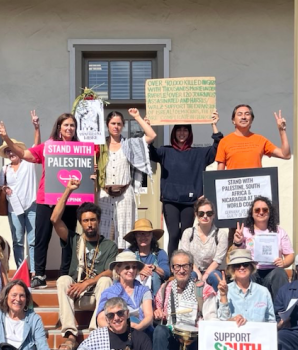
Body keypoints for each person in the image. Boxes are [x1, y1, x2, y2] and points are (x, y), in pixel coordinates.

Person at [0, 112, 81, 288]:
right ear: (59, 128)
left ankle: (66, 274)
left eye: (72, 125)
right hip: (46, 199)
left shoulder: (81, 148)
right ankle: (40, 275)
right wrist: (6, 137)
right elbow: (24, 153)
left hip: (70, 200)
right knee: (41, 238)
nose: (69, 128)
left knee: (68, 238)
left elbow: (89, 170)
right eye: (65, 125)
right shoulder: (48, 147)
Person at [193, 248, 276, 350]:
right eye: (237, 266)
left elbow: (271, 322)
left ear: (251, 268)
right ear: (232, 270)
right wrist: (224, 297)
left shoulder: (263, 292)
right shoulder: (224, 290)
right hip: (232, 348)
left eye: (245, 264)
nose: (242, 268)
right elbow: (219, 323)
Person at [52, 179, 117, 350]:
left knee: (105, 280)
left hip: (97, 297)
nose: (89, 224)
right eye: (86, 220)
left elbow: (111, 271)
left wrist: (88, 282)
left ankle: (95, 333)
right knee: (63, 279)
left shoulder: (109, 245)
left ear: (98, 221)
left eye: (93, 220)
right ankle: (70, 334)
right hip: (76, 296)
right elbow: (54, 219)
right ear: (81, 223)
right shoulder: (74, 240)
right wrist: (68, 190)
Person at [148, 112, 222, 255]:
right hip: (170, 200)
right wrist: (148, 127)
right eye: (179, 130)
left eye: (185, 130)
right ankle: (171, 267)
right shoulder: (165, 151)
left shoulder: (199, 154)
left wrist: (213, 124)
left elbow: (217, 146)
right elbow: (149, 150)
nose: (182, 133)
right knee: (174, 234)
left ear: (189, 133)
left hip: (190, 201)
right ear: (174, 132)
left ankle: (185, 265)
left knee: (186, 235)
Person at [152, 250, 219, 350]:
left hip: (195, 337)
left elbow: (212, 317)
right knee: (159, 332)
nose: (181, 270)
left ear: (191, 267)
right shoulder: (165, 288)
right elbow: (156, 310)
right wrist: (157, 312)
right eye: (177, 266)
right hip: (173, 334)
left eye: (185, 266)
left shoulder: (203, 289)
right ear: (172, 268)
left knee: (211, 334)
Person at [96, 110, 156, 249]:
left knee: (124, 232)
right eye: (113, 123)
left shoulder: (130, 144)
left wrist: (137, 117)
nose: (116, 126)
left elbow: (151, 135)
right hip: (104, 194)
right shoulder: (99, 146)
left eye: (119, 124)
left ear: (123, 126)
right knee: (104, 232)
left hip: (124, 194)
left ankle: (124, 264)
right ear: (107, 125)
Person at [232, 196, 294, 301]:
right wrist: (237, 242)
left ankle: (280, 314)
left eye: (265, 210)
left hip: (273, 270)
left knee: (280, 273)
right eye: (257, 210)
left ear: (270, 213)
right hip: (253, 270)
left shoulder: (279, 231)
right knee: (245, 274)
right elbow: (233, 254)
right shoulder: (244, 232)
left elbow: (290, 255)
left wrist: (284, 263)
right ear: (252, 213)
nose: (261, 212)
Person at [0, 133, 40, 275]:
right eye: (7, 151)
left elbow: (37, 145)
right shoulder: (5, 169)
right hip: (14, 209)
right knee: (18, 241)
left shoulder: (29, 163)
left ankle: (34, 271)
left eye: (12, 149)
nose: (10, 153)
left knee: (33, 241)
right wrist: (4, 189)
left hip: (32, 206)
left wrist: (36, 128)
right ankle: (22, 271)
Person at [95, 251, 155, 334]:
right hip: (115, 333)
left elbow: (149, 316)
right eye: (127, 267)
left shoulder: (144, 290)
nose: (131, 270)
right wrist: (117, 330)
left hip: (141, 332)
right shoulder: (109, 292)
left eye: (134, 267)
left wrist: (138, 327)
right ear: (118, 269)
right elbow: (101, 319)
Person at [216, 105, 291, 170]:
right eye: (239, 114)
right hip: (234, 185)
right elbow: (219, 173)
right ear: (233, 120)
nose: (243, 117)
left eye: (247, 114)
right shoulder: (224, 142)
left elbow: (285, 155)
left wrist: (282, 130)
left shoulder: (260, 140)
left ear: (251, 120)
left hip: (255, 185)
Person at [179, 196, 229, 292]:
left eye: (209, 213)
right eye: (201, 213)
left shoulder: (220, 234)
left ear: (213, 215)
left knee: (215, 276)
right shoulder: (188, 233)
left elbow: (218, 260)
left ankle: (220, 303)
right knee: (190, 276)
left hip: (212, 270)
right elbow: (187, 258)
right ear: (196, 215)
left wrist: (205, 275)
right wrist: (198, 273)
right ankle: (188, 305)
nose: (205, 216)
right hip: (193, 269)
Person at [123, 218, 168, 296]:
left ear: (152, 236)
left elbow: (166, 272)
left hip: (154, 293)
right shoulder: (128, 253)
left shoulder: (160, 253)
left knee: (155, 276)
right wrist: (138, 271)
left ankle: (155, 305)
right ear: (135, 237)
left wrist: (153, 268)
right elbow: (119, 271)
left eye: (147, 233)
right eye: (139, 234)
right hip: (131, 291)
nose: (143, 237)